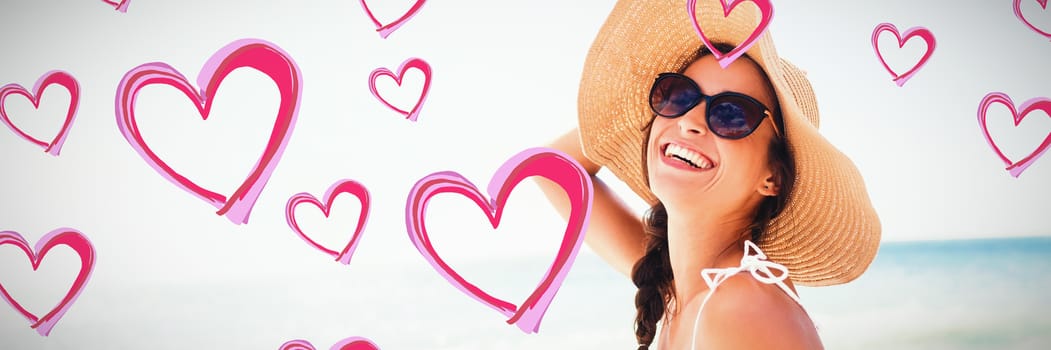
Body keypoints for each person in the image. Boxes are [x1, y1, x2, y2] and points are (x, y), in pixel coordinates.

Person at [535, 0, 881, 349]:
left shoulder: (740, 308)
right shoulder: (679, 287)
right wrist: (644, 107)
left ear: (773, 176)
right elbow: (551, 167)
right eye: (677, 96)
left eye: (731, 114)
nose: (690, 121)